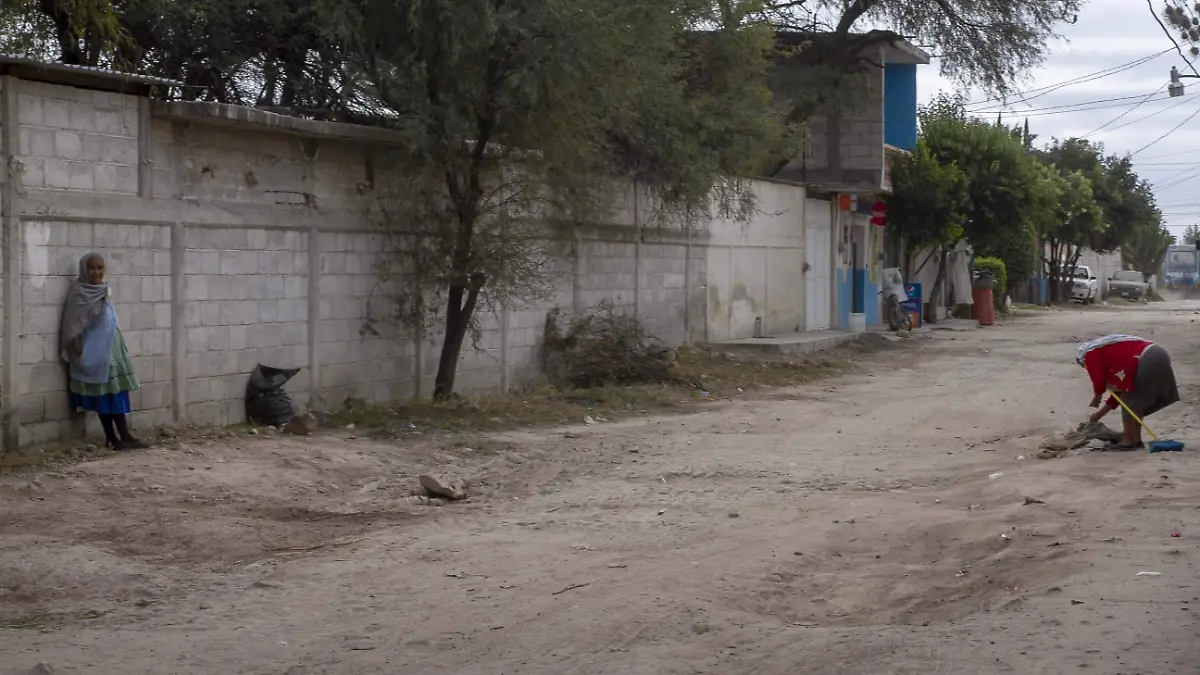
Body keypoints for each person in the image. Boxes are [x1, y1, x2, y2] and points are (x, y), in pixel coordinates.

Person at [60, 252, 145, 450]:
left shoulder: (104, 290)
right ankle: (112, 439)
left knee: (117, 394)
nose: (96, 272)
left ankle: (125, 435)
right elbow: (71, 326)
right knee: (103, 396)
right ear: (84, 270)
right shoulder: (80, 294)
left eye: (100, 268)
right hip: (95, 353)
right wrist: (77, 350)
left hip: (112, 351)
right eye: (92, 268)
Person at [1077, 333, 1179, 450]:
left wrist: (1097, 396)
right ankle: (1135, 440)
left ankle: (1129, 440)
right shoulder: (1110, 356)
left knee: (1130, 398)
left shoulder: (1090, 354)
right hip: (1159, 354)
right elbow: (1119, 395)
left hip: (1147, 357)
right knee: (1135, 400)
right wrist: (1098, 415)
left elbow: (1098, 381)